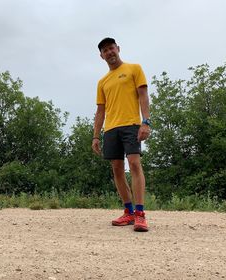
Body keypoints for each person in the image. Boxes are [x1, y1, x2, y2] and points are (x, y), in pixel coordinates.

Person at [92, 37, 151, 232]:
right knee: (117, 169)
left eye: (111, 48)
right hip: (110, 129)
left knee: (134, 163)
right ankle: (129, 212)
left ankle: (140, 214)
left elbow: (143, 96)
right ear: (101, 56)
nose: (109, 52)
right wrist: (95, 136)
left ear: (118, 48)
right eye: (105, 50)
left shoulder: (134, 69)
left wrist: (146, 122)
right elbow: (100, 111)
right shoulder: (102, 82)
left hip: (131, 125)